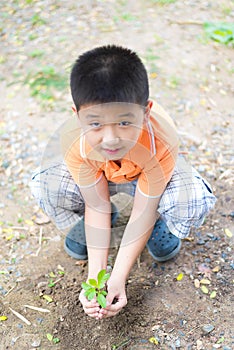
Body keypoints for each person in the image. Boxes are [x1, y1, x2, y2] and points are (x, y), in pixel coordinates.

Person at [30, 45, 216, 320]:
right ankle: (110, 220)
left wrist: (118, 278)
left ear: (146, 112)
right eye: (95, 124)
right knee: (47, 185)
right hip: (103, 178)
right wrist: (97, 278)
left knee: (189, 198)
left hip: (147, 180)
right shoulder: (75, 141)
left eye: (125, 122)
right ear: (77, 115)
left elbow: (143, 210)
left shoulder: (159, 141)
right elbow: (96, 204)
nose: (111, 139)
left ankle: (160, 225)